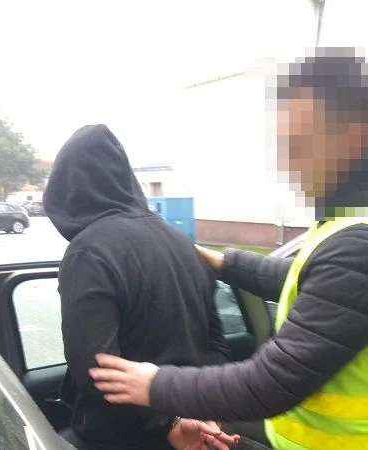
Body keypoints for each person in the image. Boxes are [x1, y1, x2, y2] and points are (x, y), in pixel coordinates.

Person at [88, 47, 368, 450]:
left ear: (353, 138)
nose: (287, 164)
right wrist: (223, 262)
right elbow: (313, 282)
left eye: (297, 145)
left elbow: (271, 383)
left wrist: (156, 385)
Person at [43, 124, 238, 450]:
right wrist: (201, 412)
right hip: (197, 429)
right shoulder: (181, 241)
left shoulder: (88, 251)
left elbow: (95, 369)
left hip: (125, 437)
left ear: (67, 192)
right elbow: (217, 343)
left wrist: (169, 422)